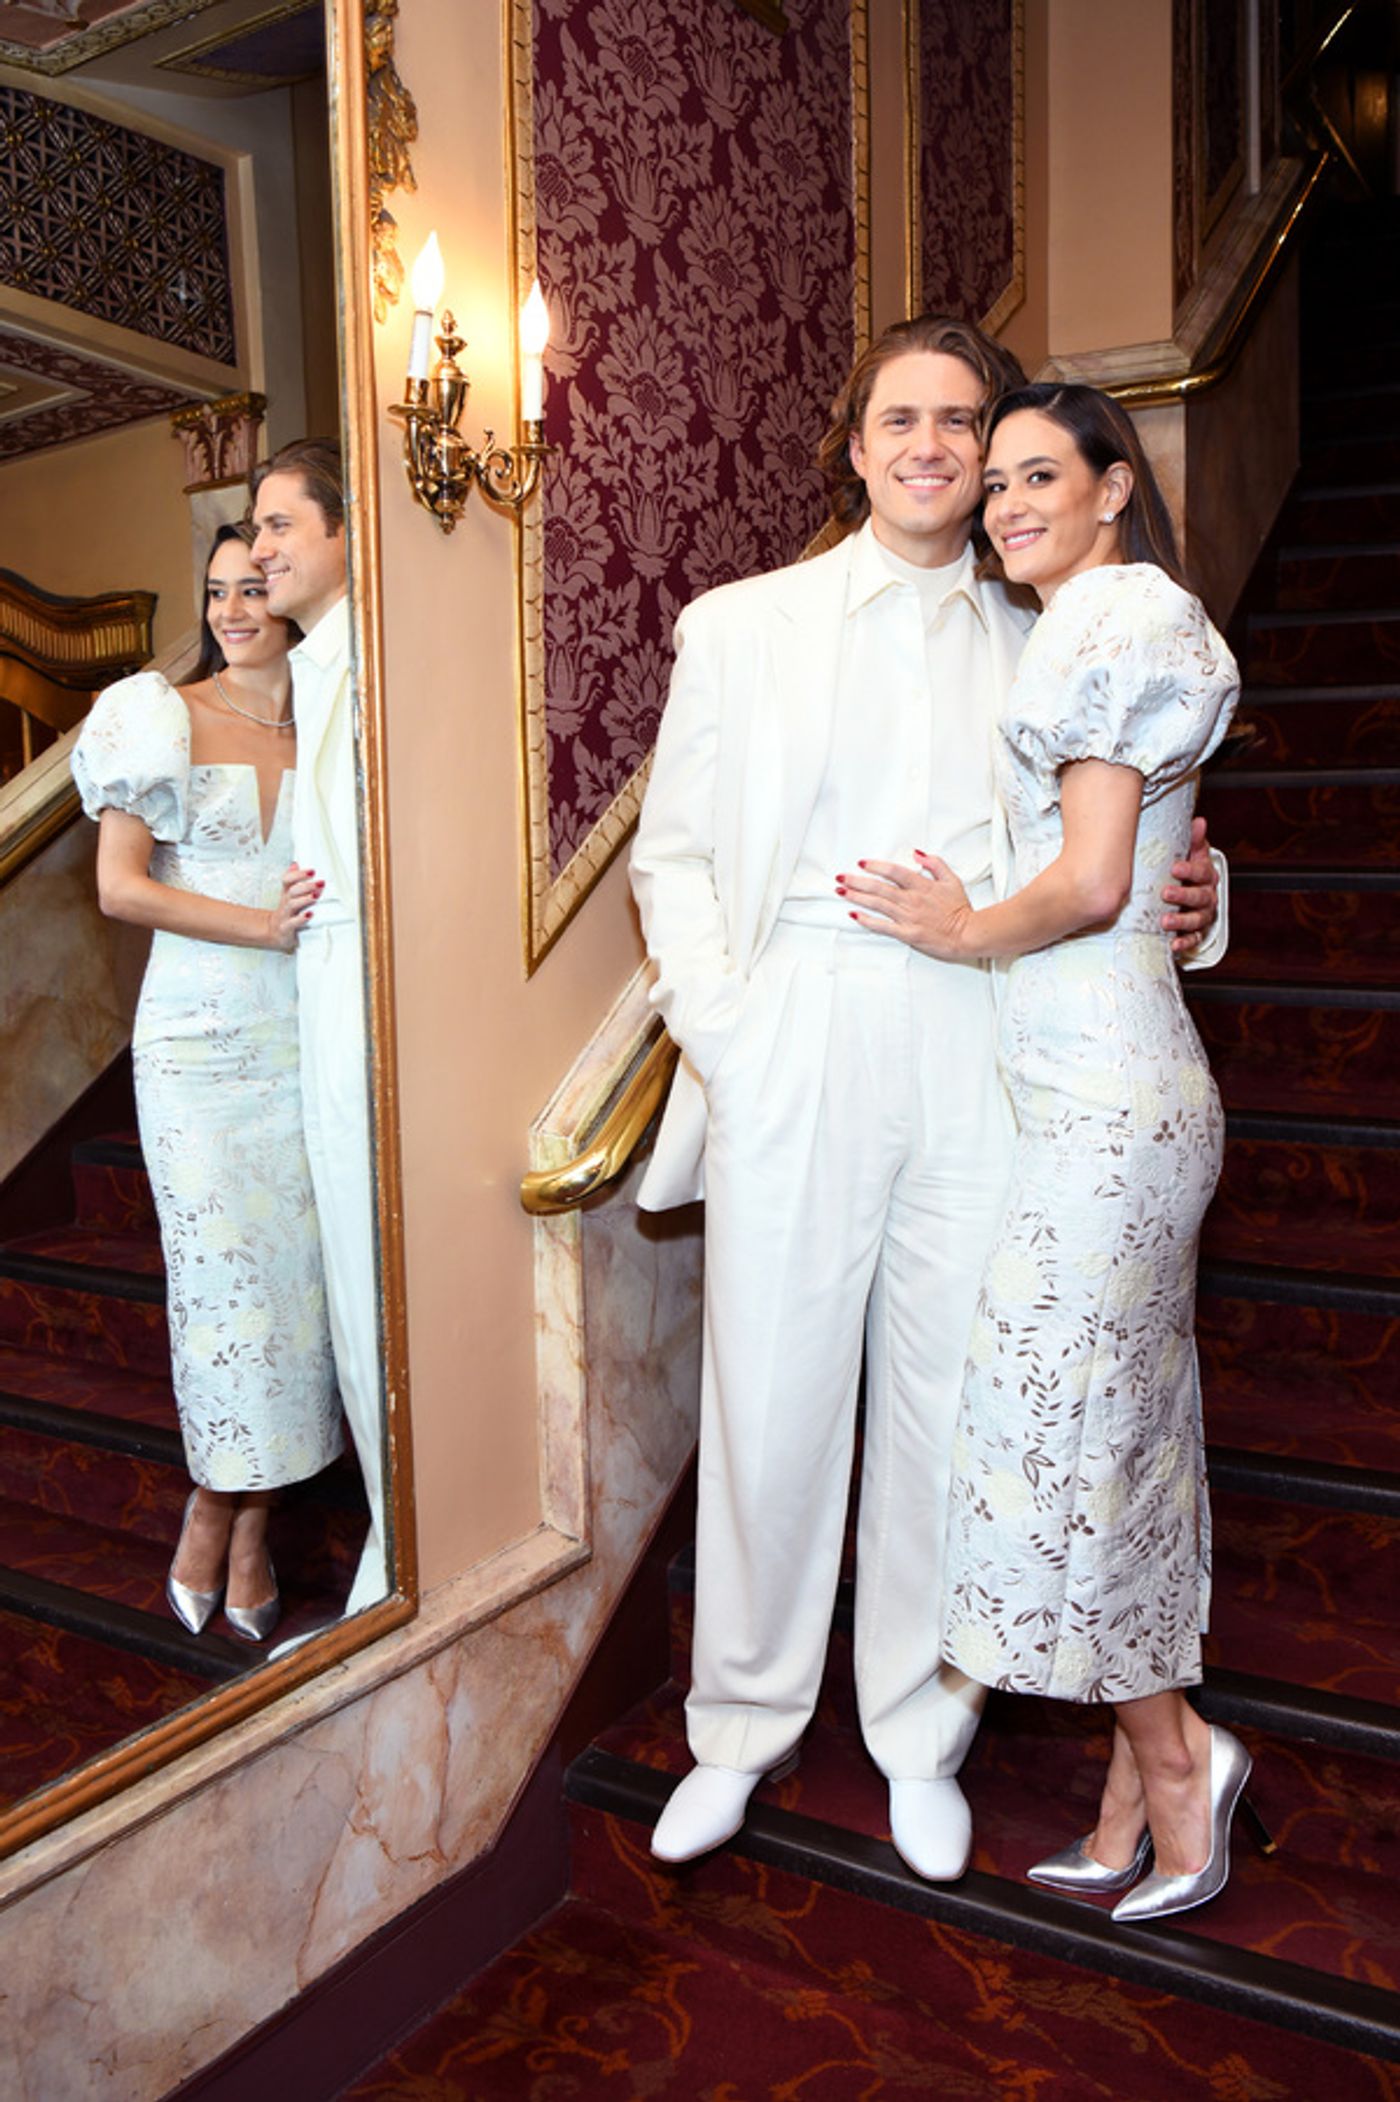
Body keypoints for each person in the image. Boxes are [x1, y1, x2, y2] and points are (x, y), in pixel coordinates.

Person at [630, 317, 1224, 1879]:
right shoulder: (740, 624)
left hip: (986, 1030)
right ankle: (739, 1728)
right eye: (905, 416)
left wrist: (1201, 897)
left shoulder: (1057, 630)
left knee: (948, 1401)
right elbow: (674, 857)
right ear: (857, 439)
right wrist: (736, 1042)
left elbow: (1139, 825)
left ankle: (917, 1726)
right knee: (769, 1390)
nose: (934, 445)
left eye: (963, 422)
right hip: (802, 1026)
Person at [839, 381, 1249, 1922]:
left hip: (1104, 1104)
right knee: (1116, 1439)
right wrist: (1192, 897)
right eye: (993, 477)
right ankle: (1128, 1774)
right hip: (1099, 1092)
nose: (1005, 498)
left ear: (1114, 485)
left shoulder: (1112, 618)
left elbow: (1084, 885)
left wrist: (959, 928)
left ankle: (1177, 1756)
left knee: (1064, 1444)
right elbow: (1151, 861)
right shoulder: (1094, 619)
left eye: (1036, 473)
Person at [73, 523, 341, 1643]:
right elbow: (119, 890)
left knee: (301, 1302)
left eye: (254, 583)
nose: (234, 607)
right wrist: (260, 928)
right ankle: (211, 1503)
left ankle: (252, 1522)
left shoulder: (333, 722)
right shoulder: (156, 712)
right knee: (227, 1296)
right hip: (196, 1051)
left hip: (309, 1043)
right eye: (217, 589)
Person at [249, 437, 387, 1615]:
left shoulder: (381, 659)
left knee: (374, 1270)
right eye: (253, 529)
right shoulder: (311, 669)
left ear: (348, 531)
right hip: (321, 984)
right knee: (346, 1276)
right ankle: (396, 1541)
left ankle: (404, 1549)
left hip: (367, 992)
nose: (258, 548)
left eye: (283, 524)